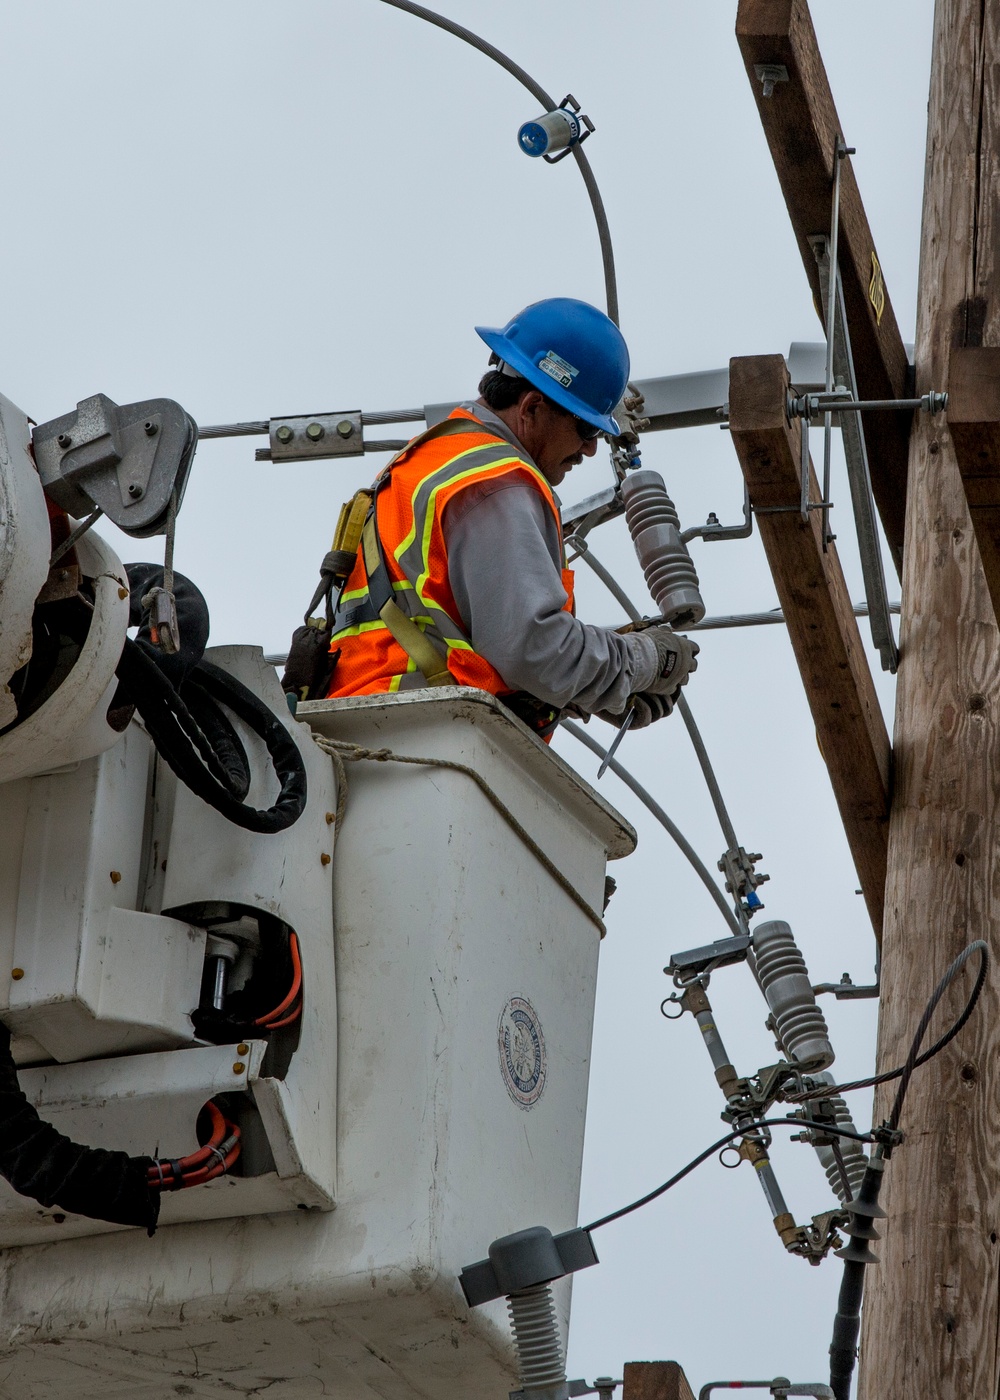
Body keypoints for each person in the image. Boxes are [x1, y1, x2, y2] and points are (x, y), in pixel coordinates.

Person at [324, 297, 698, 735]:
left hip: (378, 719)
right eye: (586, 428)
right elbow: (537, 652)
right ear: (532, 408)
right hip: (426, 735)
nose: (591, 448)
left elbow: (475, 642)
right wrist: (645, 660)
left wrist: (595, 691)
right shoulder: (494, 481)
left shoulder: (433, 458)